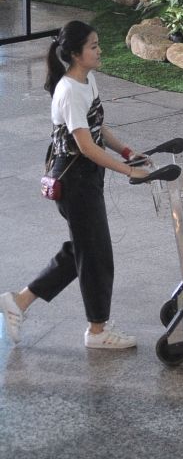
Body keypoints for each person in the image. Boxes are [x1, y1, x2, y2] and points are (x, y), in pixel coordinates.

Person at [0, 21, 148, 349]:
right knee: (96, 255)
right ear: (76, 55)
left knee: (83, 249)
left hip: (86, 178)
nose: (99, 50)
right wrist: (127, 171)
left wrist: (126, 151)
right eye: (93, 46)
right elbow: (86, 146)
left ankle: (19, 302)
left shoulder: (87, 80)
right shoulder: (68, 90)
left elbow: (97, 127)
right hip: (75, 180)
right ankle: (97, 331)